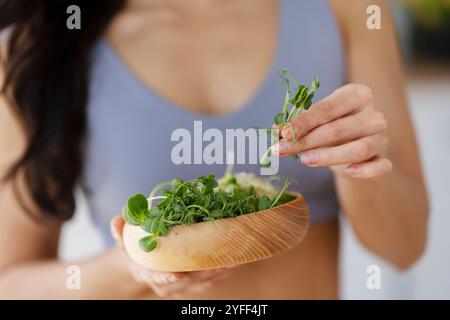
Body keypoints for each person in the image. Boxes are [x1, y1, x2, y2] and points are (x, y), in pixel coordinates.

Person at [0, 0, 428, 299]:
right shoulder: (42, 42)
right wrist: (129, 269)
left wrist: (353, 162)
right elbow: (10, 283)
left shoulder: (347, 7)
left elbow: (405, 247)